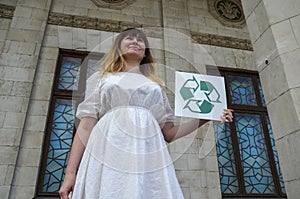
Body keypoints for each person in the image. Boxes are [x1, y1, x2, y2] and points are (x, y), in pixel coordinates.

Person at [59, 28, 233, 199]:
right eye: (129, 38)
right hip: (109, 149)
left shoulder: (156, 85)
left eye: (140, 40)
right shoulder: (101, 78)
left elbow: (169, 133)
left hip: (148, 154)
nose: (135, 41)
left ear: (145, 53)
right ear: (118, 47)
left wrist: (206, 117)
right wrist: (70, 173)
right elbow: (86, 126)